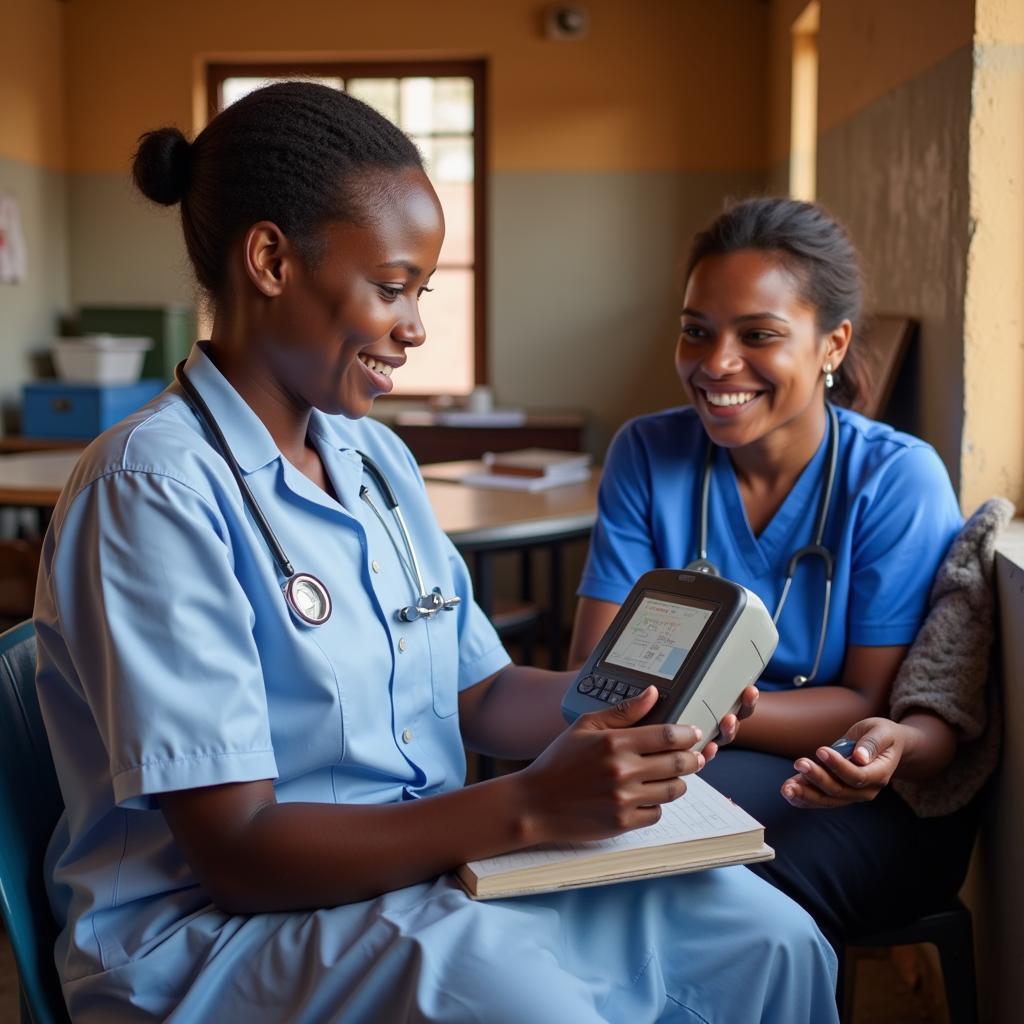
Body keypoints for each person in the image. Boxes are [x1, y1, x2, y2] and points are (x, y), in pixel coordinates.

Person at [33, 85, 839, 1023]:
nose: (415, 325)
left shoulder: (371, 456)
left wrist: (646, 715)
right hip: (214, 931)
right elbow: (239, 852)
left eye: (422, 291)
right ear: (269, 260)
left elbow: (482, 694)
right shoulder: (152, 489)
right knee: (537, 1011)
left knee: (772, 942)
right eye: (392, 286)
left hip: (427, 870)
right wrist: (531, 808)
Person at [569, 196, 979, 951]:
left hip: (847, 788)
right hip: (683, 763)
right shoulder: (646, 454)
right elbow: (596, 676)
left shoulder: (894, 478)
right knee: (571, 865)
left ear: (832, 345)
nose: (717, 364)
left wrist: (699, 707)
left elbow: (865, 701)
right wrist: (697, 715)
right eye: (696, 332)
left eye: (758, 335)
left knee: (695, 901)